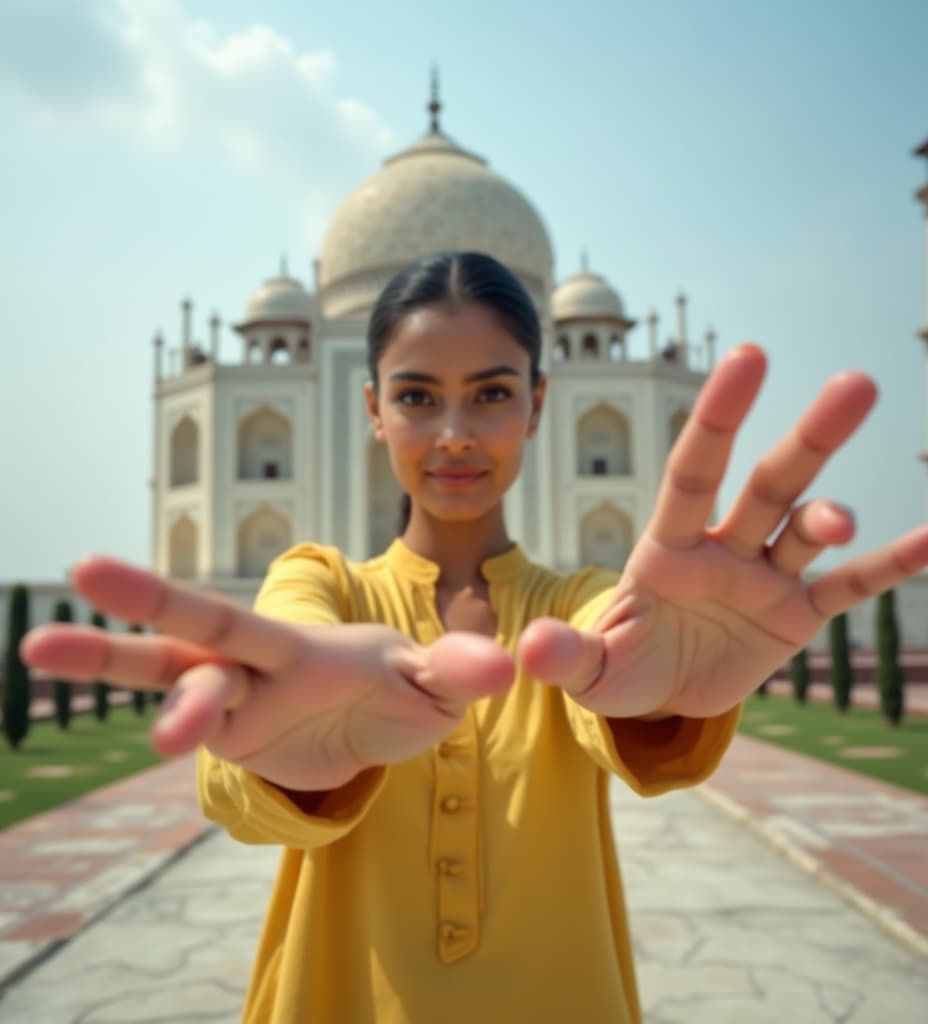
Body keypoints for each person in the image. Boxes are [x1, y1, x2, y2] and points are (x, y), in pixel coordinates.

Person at [22, 251, 928, 1023]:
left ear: (540, 405)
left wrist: (664, 700)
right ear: (371, 407)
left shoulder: (585, 604)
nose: (454, 435)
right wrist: (276, 758)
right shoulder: (319, 587)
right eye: (417, 396)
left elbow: (605, 681)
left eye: (491, 394)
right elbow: (271, 692)